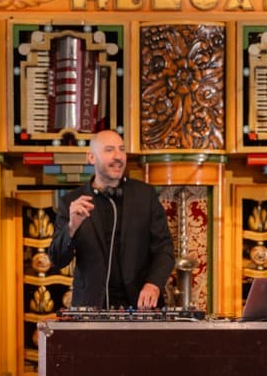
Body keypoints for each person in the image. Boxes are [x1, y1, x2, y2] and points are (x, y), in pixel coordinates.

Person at [48, 130, 174, 308]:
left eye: (121, 149)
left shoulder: (145, 195)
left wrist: (153, 284)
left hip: (140, 306)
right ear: (91, 157)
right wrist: (71, 227)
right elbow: (57, 259)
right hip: (92, 307)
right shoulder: (72, 202)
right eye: (109, 150)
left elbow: (164, 249)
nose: (118, 156)